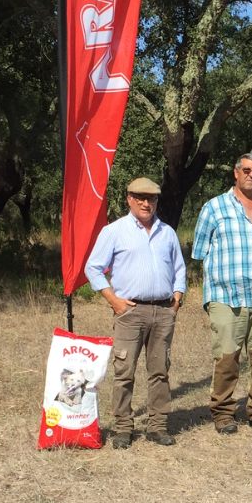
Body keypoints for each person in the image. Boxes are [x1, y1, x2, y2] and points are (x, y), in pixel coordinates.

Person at [85, 177, 186, 449]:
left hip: (164, 311)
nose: (146, 203)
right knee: (124, 370)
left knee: (160, 370)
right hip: (130, 312)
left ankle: (157, 425)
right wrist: (113, 300)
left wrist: (177, 297)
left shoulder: (167, 232)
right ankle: (123, 428)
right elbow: (93, 268)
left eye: (151, 198)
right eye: (140, 197)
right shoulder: (114, 231)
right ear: (129, 198)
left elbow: (179, 268)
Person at [192, 153, 252, 435]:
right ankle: (223, 412)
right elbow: (200, 251)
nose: (251, 175)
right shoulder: (214, 208)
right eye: (246, 170)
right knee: (227, 359)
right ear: (235, 172)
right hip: (226, 296)